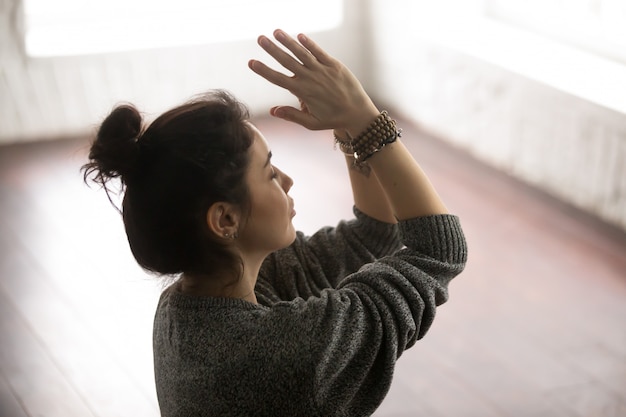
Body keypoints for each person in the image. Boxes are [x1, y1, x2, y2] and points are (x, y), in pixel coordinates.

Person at [82, 29, 467, 417]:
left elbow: (371, 238)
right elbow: (441, 251)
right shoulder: (285, 351)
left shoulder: (187, 307)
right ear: (225, 218)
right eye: (268, 172)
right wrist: (366, 118)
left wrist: (349, 126)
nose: (286, 181)